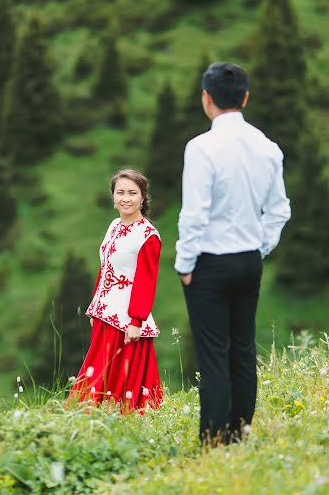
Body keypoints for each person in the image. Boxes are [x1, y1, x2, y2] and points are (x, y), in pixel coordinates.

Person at [175, 62, 291, 446]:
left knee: (213, 357)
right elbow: (279, 211)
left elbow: (195, 213)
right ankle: (239, 435)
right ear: (244, 97)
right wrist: (259, 248)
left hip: (209, 263)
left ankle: (212, 443)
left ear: (206, 99)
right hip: (247, 260)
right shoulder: (267, 147)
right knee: (242, 350)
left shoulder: (201, 147)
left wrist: (185, 264)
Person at [69, 168, 163, 411]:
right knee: (99, 367)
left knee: (114, 370)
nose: (126, 198)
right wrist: (94, 306)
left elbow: (146, 281)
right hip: (104, 312)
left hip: (127, 318)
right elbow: (105, 267)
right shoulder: (113, 226)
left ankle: (111, 415)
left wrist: (136, 320)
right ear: (113, 197)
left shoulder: (148, 235)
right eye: (120, 192)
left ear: (143, 198)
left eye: (132, 193)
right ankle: (93, 414)